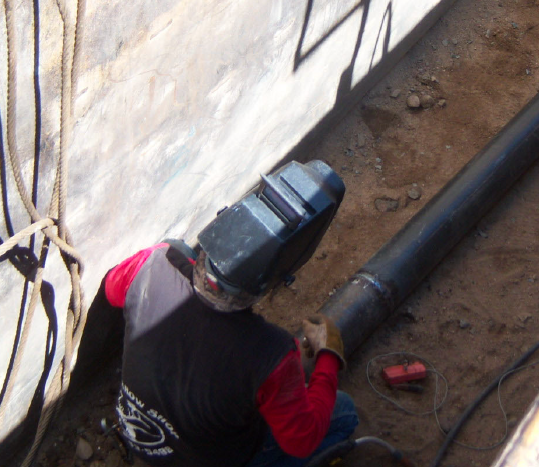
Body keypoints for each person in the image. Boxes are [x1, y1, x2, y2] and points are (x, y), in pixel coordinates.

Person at [101, 161, 358, 466]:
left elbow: (112, 290)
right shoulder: (270, 355)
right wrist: (329, 356)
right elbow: (301, 440)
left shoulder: (152, 263)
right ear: (274, 279)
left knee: (176, 247)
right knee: (343, 413)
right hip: (205, 458)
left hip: (141, 438)